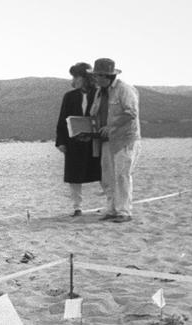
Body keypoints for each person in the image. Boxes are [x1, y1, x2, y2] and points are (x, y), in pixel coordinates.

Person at [90, 58, 141, 223]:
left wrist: (111, 126)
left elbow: (131, 112)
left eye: (97, 76)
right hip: (106, 140)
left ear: (106, 76)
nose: (95, 79)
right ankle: (112, 209)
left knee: (122, 175)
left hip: (124, 139)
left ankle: (124, 211)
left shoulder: (125, 90)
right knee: (107, 176)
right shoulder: (100, 92)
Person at [55, 62, 102, 216]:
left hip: (94, 140)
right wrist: (61, 141)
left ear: (85, 77)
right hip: (73, 141)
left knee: (102, 172)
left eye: (77, 76)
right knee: (74, 175)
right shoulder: (69, 96)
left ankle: (112, 204)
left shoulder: (99, 94)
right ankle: (77, 207)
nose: (74, 80)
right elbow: (62, 119)